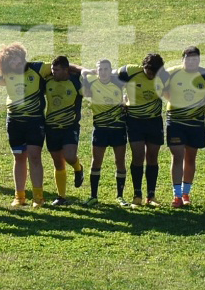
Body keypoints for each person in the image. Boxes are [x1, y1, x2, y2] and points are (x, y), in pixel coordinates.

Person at [0, 43, 48, 207]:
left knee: (34, 156)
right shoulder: (6, 74)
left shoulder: (39, 68)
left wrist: (84, 71)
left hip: (34, 120)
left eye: (18, 59)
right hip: (14, 121)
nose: (16, 64)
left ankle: (38, 197)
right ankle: (19, 196)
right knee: (18, 157)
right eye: (11, 62)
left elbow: (63, 66)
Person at [161, 46, 205, 207]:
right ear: (182, 59)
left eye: (195, 60)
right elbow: (158, 87)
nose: (192, 62)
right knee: (177, 157)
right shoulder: (171, 73)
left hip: (196, 122)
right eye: (189, 59)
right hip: (175, 121)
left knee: (191, 157)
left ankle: (186, 194)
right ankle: (176, 196)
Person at [41, 55, 86, 205]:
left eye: (57, 70)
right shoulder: (48, 81)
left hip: (69, 126)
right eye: (53, 69)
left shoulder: (76, 82)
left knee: (69, 156)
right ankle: (61, 197)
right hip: (51, 127)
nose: (53, 72)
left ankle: (78, 168)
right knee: (57, 163)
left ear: (66, 70)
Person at [124, 53, 166, 206]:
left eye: (155, 73)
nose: (151, 75)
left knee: (153, 157)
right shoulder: (130, 71)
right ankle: (137, 195)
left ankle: (151, 196)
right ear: (144, 67)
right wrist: (121, 100)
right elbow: (110, 79)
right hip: (134, 121)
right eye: (149, 72)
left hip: (154, 122)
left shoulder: (164, 77)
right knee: (138, 155)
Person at [87, 59, 130, 204]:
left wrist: (126, 101)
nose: (103, 72)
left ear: (110, 70)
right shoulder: (92, 82)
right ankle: (93, 196)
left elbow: (131, 78)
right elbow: (82, 71)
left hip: (118, 128)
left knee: (120, 161)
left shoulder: (118, 82)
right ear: (96, 71)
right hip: (100, 129)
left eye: (106, 69)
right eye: (100, 69)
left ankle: (120, 196)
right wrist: (91, 71)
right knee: (96, 162)